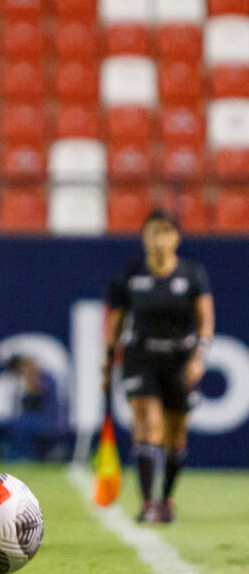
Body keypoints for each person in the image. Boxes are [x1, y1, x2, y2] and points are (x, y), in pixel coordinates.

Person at [103, 209, 213, 524]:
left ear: (177, 237)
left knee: (176, 436)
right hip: (141, 357)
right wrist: (107, 360)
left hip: (180, 359)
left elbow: (205, 319)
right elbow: (116, 321)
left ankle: (166, 499)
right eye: (152, 231)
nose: (158, 238)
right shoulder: (130, 274)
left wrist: (200, 356)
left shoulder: (192, 274)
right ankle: (148, 504)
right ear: (143, 236)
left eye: (165, 231)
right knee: (149, 425)